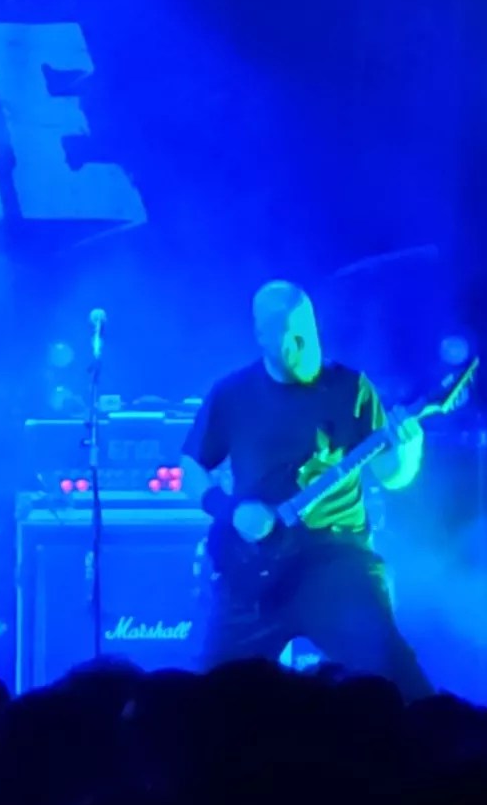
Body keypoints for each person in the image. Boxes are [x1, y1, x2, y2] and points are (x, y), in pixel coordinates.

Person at [178, 280, 431, 696]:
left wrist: (409, 450)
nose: (303, 345)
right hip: (253, 566)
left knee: (398, 684)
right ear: (262, 336)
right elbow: (190, 468)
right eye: (290, 337)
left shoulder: (351, 388)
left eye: (307, 333)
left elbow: (392, 476)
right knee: (208, 697)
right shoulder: (232, 393)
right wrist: (231, 511)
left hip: (335, 557)